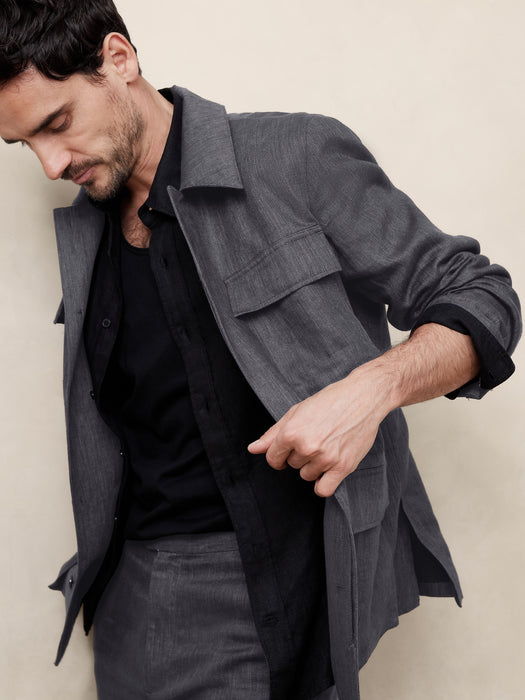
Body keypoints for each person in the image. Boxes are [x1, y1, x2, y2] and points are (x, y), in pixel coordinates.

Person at [0, 1, 521, 699]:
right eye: (23, 145)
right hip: (133, 599)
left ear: (118, 59)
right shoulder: (86, 230)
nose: (50, 165)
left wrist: (370, 390)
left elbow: (481, 296)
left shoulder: (295, 155)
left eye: (57, 123)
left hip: (282, 581)